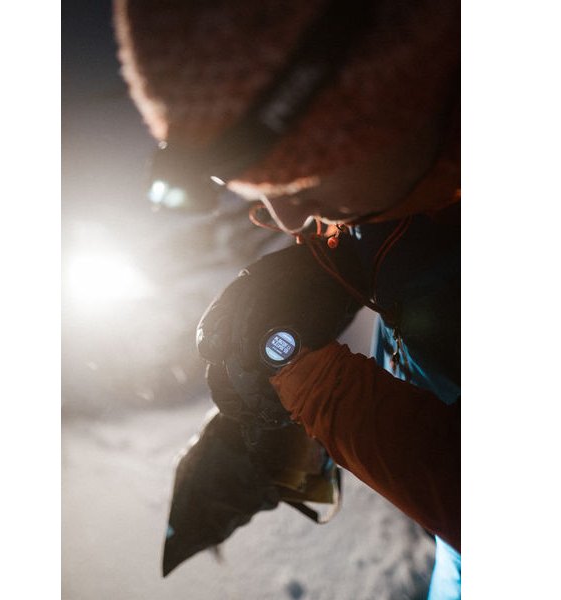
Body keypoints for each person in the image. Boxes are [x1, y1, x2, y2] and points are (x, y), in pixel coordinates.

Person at [113, 0, 461, 597]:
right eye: (251, 185)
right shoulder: (398, 176)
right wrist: (331, 266)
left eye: (304, 178)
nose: (285, 218)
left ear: (406, 90)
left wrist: (319, 390)